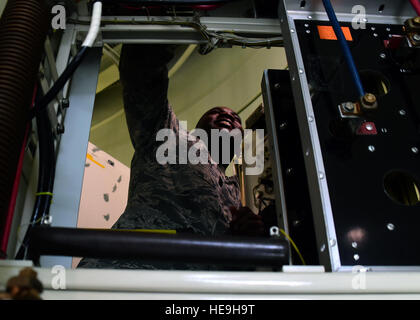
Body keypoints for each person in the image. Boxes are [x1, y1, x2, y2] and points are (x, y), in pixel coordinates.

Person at [78, 44, 264, 270]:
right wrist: (167, 29)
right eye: (216, 113)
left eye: (236, 120)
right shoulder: (169, 137)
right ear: (196, 129)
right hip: (128, 271)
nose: (228, 116)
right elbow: (140, 74)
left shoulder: (240, 194)